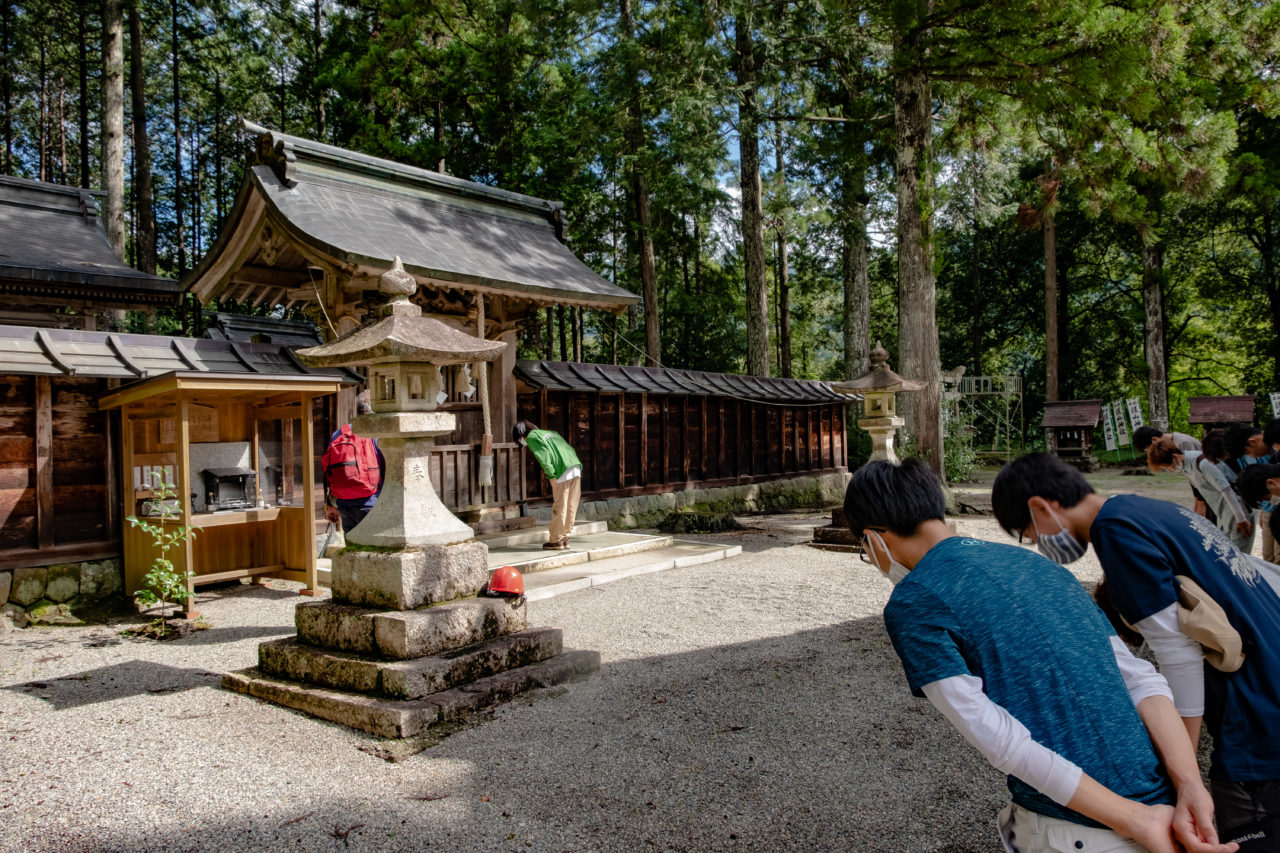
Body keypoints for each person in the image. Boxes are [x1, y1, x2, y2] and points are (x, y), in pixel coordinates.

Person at [843, 458, 1232, 853]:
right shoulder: (1039, 565)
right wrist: (1189, 785)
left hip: (1081, 828)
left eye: (864, 547)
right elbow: (1139, 678)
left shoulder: (914, 601)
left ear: (877, 536)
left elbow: (1001, 740)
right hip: (1167, 802)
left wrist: (1137, 819)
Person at [992, 453, 1280, 846]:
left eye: (1031, 533)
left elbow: (1178, 656)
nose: (1041, 545)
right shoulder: (1146, 509)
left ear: (1041, 506)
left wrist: (1184, 772)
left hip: (1258, 719)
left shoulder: (1116, 532)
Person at [1148, 435, 1253, 553]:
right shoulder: (1186, 467)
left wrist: (1241, 518)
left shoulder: (1202, 462)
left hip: (1237, 511)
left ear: (1175, 456)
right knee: (1226, 554)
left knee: (1239, 556)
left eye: (1167, 466)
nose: (1169, 469)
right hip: (1223, 514)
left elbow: (1226, 490)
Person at [512, 420, 582, 551]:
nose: (522, 442)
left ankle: (556, 540)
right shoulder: (550, 433)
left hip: (561, 470)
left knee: (560, 507)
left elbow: (544, 457)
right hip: (575, 466)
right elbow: (567, 448)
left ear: (521, 434)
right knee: (571, 506)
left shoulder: (532, 436)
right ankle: (565, 539)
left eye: (519, 439)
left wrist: (551, 476)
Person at [322, 392, 385, 532]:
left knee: (352, 548)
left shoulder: (339, 433)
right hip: (372, 502)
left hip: (345, 503)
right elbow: (387, 468)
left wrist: (330, 504)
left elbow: (327, 469)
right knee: (374, 549)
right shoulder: (377, 433)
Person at [1135, 427, 1209, 518]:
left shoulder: (1182, 443)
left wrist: (1202, 502)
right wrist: (1197, 499)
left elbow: (1198, 474)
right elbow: (1191, 477)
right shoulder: (1173, 442)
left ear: (1154, 440)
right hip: (1202, 490)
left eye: (1148, 449)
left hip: (1209, 488)